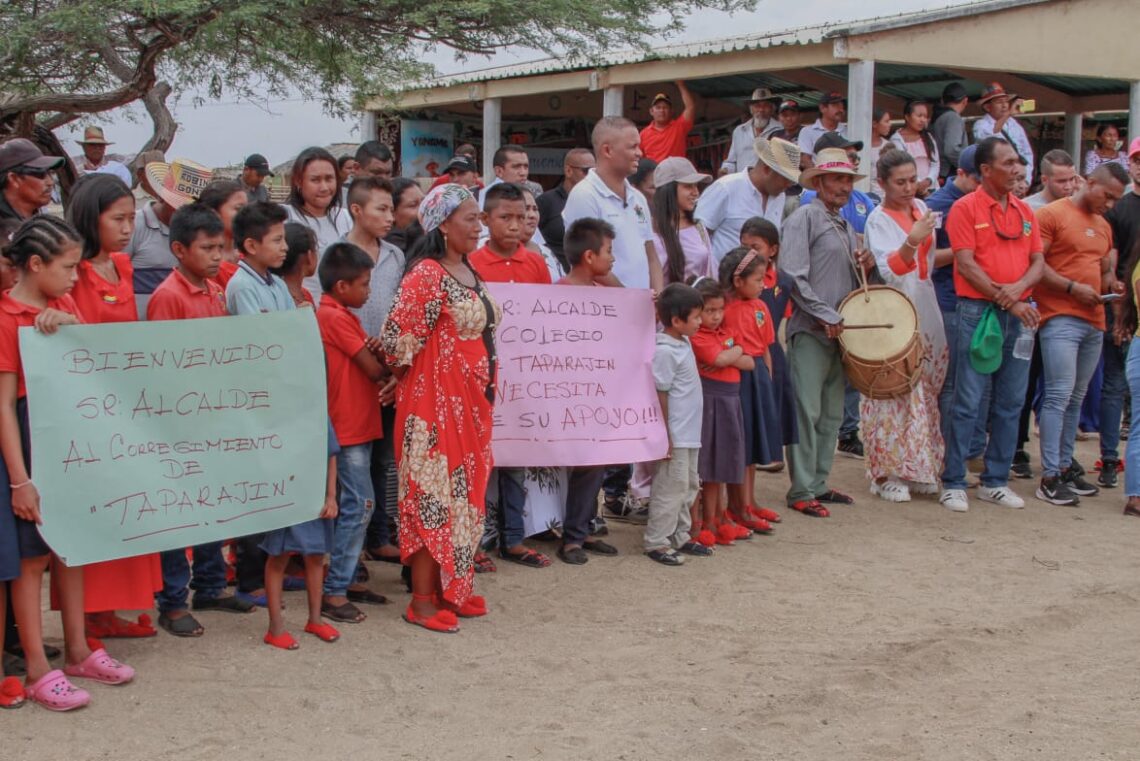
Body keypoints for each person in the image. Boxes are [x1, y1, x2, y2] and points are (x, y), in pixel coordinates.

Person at [1, 216, 135, 710]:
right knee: (33, 558)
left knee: (72, 546)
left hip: (69, 434)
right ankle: (38, 665)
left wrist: (71, 324)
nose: (77, 277)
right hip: (29, 439)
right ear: (35, 265)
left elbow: (92, 353)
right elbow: (3, 406)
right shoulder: (4, 317)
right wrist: (20, 480)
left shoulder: (62, 305)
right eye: (68, 267)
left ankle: (78, 649)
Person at [381, 184, 499, 632]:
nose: (478, 225)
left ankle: (457, 590)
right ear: (443, 224)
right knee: (433, 498)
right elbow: (396, 341)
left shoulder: (467, 269)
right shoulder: (427, 275)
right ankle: (423, 601)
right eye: (470, 217)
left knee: (464, 498)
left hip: (471, 403)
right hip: (433, 405)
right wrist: (403, 377)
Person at [64, 174, 167, 636]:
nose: (128, 228)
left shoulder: (123, 267)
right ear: (91, 218)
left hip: (128, 407)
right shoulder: (72, 273)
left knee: (127, 508)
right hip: (87, 412)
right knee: (95, 509)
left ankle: (107, 612)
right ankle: (85, 616)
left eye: (131, 218)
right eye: (118, 219)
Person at [148, 203, 253, 637]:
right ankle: (173, 601)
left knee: (215, 505)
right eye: (207, 248)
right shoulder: (167, 298)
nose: (216, 256)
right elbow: (160, 369)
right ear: (178, 249)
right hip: (182, 424)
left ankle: (210, 585)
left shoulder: (213, 291)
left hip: (216, 419)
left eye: (220, 247)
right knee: (180, 514)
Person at [940, 136, 1045, 513]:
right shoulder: (964, 208)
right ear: (986, 170)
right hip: (977, 312)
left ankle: (996, 480)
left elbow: (1037, 262)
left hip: (1018, 315)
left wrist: (1019, 294)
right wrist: (1013, 299)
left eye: (1018, 161)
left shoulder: (1025, 211)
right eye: (1009, 162)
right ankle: (953, 480)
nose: (1018, 169)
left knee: (1011, 401)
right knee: (967, 400)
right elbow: (965, 264)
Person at [780, 146, 874, 517]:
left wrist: (868, 263)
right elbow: (793, 276)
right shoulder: (804, 218)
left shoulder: (847, 226)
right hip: (811, 330)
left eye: (849, 180)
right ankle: (802, 488)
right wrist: (825, 314)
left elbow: (861, 281)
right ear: (818, 182)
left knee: (831, 413)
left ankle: (818, 482)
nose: (845, 186)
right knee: (807, 409)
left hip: (840, 332)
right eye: (838, 178)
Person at [468, 183, 553, 568]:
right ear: (486, 220)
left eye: (521, 217)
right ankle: (479, 541)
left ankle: (514, 539)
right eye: (505, 217)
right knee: (483, 461)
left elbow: (548, 317)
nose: (515, 225)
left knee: (516, 459)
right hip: (482, 376)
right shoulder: (472, 263)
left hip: (523, 379)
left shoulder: (536, 264)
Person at [1033, 162, 1128, 505]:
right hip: (1059, 316)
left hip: (1094, 317)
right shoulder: (1052, 214)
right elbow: (1037, 266)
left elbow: (1102, 271)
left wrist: (1111, 286)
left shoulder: (1103, 226)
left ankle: (1063, 465)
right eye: (1108, 195)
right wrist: (1073, 288)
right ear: (1088, 183)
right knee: (1059, 394)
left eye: (1117, 199)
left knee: (1075, 396)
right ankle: (1049, 476)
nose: (1111, 204)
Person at [861, 149, 947, 502]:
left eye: (913, 180)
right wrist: (912, 239)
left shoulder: (922, 210)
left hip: (925, 302)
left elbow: (929, 262)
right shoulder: (877, 219)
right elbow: (890, 270)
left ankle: (920, 466)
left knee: (926, 388)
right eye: (901, 182)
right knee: (893, 390)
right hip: (895, 308)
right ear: (882, 184)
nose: (909, 187)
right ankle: (886, 472)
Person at [225, 201, 295, 609]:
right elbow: (262, 344)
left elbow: (289, 333)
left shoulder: (275, 283)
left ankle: (272, 570)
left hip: (279, 397)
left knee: (274, 492)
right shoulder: (242, 285)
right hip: (254, 400)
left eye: (284, 239)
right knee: (255, 494)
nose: (283, 247)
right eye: (276, 240)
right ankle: (250, 578)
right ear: (250, 245)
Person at [315, 242, 390, 622]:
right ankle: (336, 589)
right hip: (346, 424)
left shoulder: (342, 313)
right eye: (364, 284)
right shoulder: (334, 316)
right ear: (342, 286)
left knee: (357, 504)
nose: (369, 291)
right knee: (359, 504)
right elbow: (375, 371)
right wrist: (379, 355)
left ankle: (348, 578)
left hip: (355, 420)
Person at [343, 176, 404, 564]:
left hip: (388, 372)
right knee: (353, 464)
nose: (390, 217)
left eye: (391, 209)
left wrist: (394, 365)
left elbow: (401, 311)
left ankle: (380, 535)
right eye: (381, 209)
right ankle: (351, 547)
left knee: (384, 459)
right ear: (356, 210)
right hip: (349, 371)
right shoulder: (337, 254)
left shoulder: (395, 256)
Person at [554, 218, 622, 564]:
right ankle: (572, 538)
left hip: (597, 396)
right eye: (609, 251)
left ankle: (586, 527)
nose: (613, 260)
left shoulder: (604, 296)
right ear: (590, 256)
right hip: (567, 398)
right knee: (582, 465)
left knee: (595, 465)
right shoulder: (557, 295)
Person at [260, 420, 341, 649]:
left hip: (313, 494)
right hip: (283, 492)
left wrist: (331, 496)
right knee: (279, 555)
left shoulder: (317, 411)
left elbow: (331, 454)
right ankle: (275, 628)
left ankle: (315, 620)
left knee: (316, 555)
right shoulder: (275, 410)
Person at [720, 245, 781, 533]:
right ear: (737, 281)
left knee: (755, 442)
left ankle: (750, 501)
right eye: (758, 279)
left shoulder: (761, 307)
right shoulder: (725, 310)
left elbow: (766, 347)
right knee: (740, 445)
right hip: (736, 379)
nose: (763, 284)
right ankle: (736, 506)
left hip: (758, 377)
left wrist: (767, 375)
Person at [563, 116, 662, 291]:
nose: (639, 153)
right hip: (603, 308)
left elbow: (651, 255)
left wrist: (657, 297)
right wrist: (627, 298)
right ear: (607, 150)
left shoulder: (638, 197)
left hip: (640, 307)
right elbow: (589, 263)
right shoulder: (584, 195)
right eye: (633, 147)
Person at [644, 283, 705, 566]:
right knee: (671, 487)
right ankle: (657, 540)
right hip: (677, 434)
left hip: (690, 433)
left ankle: (680, 535)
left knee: (688, 484)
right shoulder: (666, 350)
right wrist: (664, 434)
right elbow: (660, 392)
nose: (700, 321)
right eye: (695, 317)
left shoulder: (684, 342)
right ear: (677, 321)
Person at [688, 277, 750, 549]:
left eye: (719, 310)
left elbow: (750, 363)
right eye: (709, 310)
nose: (715, 316)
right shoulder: (699, 336)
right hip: (710, 401)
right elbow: (720, 359)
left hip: (729, 401)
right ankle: (697, 524)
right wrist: (735, 349)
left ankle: (715, 519)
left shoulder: (723, 334)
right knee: (704, 465)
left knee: (722, 463)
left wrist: (731, 351)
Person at [926, 145, 982, 441]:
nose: (982, 187)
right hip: (946, 300)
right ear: (961, 174)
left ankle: (966, 447)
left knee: (971, 382)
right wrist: (964, 252)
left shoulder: (986, 202)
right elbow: (928, 258)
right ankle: (945, 450)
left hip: (977, 301)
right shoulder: (936, 205)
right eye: (977, 180)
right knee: (948, 383)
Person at [128, 157, 213, 316]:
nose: (183, 213)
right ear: (161, 197)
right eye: (177, 205)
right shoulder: (135, 226)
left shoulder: (198, 231)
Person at [1102, 138, 1140, 487]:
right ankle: (1110, 459)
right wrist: (1118, 312)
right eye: (1138, 160)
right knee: (1114, 386)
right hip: (1125, 308)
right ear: (1129, 165)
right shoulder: (1119, 208)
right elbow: (1110, 258)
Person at [743, 216, 798, 461]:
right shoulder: (737, 282)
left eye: (755, 248)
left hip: (772, 351)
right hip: (745, 355)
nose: (749, 254)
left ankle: (771, 454)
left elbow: (784, 316)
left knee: (771, 404)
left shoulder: (785, 282)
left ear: (773, 249)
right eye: (744, 247)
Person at [695, 137, 801, 262]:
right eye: (786, 178)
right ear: (767, 170)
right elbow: (698, 237)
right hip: (721, 277)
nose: (789, 184)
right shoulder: (726, 188)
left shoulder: (779, 196)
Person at [284, 146, 352, 296]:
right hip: (300, 310)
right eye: (315, 180)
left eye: (329, 179)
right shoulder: (285, 218)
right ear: (298, 181)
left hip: (337, 312)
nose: (324, 187)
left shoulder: (345, 218)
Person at [652, 157, 713, 284]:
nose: (695, 192)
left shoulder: (699, 227)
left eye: (696, 186)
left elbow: (709, 272)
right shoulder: (650, 230)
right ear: (669, 190)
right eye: (688, 186)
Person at [537, 148, 595, 268]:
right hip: (556, 275)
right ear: (568, 171)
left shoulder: (597, 201)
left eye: (595, 171)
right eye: (586, 170)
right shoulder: (547, 201)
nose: (592, 175)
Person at [973, 83, 1036, 184]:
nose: (1004, 105)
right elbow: (992, 140)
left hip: (1020, 179)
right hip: (997, 179)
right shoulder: (981, 125)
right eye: (999, 102)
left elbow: (1026, 152)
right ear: (988, 107)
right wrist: (1008, 114)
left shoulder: (1014, 124)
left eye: (1006, 101)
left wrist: (1026, 180)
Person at [196, 179, 248, 287]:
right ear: (214, 213)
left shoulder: (248, 258)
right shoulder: (206, 266)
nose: (248, 215)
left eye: (248, 209)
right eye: (238, 209)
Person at [0, 138, 63, 223]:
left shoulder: (37, 224)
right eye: (40, 173)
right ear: (14, 179)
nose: (50, 182)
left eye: (50, 173)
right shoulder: (7, 232)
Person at [720, 88, 782, 175]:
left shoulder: (781, 130)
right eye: (757, 106)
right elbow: (731, 162)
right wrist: (725, 170)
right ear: (751, 110)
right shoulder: (739, 131)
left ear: (772, 109)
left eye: (765, 106)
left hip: (769, 186)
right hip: (743, 184)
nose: (761, 110)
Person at [888, 100, 940, 197]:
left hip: (932, 188)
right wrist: (919, 184)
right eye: (919, 116)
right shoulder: (897, 139)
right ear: (907, 117)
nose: (923, 120)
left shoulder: (928, 137)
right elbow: (903, 165)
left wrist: (929, 180)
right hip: (911, 189)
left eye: (925, 116)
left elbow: (935, 163)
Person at [639, 81, 696, 163]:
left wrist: (681, 84)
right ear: (651, 111)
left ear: (671, 111)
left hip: (676, 174)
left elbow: (690, 107)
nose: (662, 110)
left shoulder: (679, 127)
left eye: (665, 107)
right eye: (658, 107)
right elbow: (640, 160)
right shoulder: (643, 134)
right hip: (654, 174)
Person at [519, 185, 562, 280]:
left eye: (535, 209)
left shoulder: (547, 252)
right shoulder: (485, 246)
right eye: (526, 208)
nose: (532, 215)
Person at [931, 82, 970, 181]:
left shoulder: (937, 116)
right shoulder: (953, 118)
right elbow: (951, 150)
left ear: (943, 100)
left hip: (940, 171)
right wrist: (968, 166)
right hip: (950, 172)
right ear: (965, 101)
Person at [798, 92, 848, 168]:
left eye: (842, 106)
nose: (841, 109)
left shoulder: (848, 131)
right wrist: (818, 175)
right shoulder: (808, 131)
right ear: (822, 108)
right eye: (835, 105)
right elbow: (805, 159)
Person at [386, 178, 425, 254]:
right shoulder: (393, 247)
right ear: (392, 213)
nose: (423, 209)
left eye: (424, 201)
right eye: (413, 205)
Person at [867, 108, 892, 199]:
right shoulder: (860, 146)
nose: (890, 124)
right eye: (886, 121)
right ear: (874, 124)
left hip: (882, 195)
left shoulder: (888, 146)